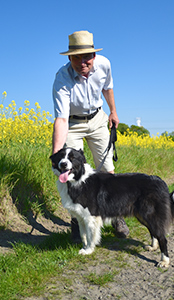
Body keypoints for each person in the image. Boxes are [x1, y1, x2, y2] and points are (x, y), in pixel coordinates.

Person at [52, 30, 129, 240]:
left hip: (97, 119)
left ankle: (115, 216)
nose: (82, 62)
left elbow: (108, 88)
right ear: (69, 58)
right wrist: (57, 154)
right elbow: (61, 119)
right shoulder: (62, 79)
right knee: (71, 175)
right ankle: (77, 222)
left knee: (107, 172)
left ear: (94, 56)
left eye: (87, 56)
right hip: (73, 123)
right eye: (76, 57)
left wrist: (113, 111)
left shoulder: (104, 64)